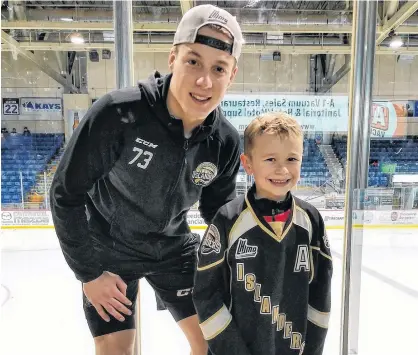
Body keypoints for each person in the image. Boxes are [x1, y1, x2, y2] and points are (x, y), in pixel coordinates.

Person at [49, 4, 243, 355]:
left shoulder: (224, 141)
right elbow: (66, 194)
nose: (204, 81)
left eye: (219, 68)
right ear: (173, 58)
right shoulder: (118, 114)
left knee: (215, 345)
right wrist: (89, 274)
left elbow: (218, 212)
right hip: (108, 247)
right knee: (116, 350)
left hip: (173, 247)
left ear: (232, 75)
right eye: (193, 61)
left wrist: (239, 260)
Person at [193, 112, 333, 355]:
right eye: (270, 159)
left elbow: (320, 296)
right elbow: (207, 295)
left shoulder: (311, 220)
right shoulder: (228, 219)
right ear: (247, 164)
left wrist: (312, 350)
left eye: (292, 158)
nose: (282, 169)